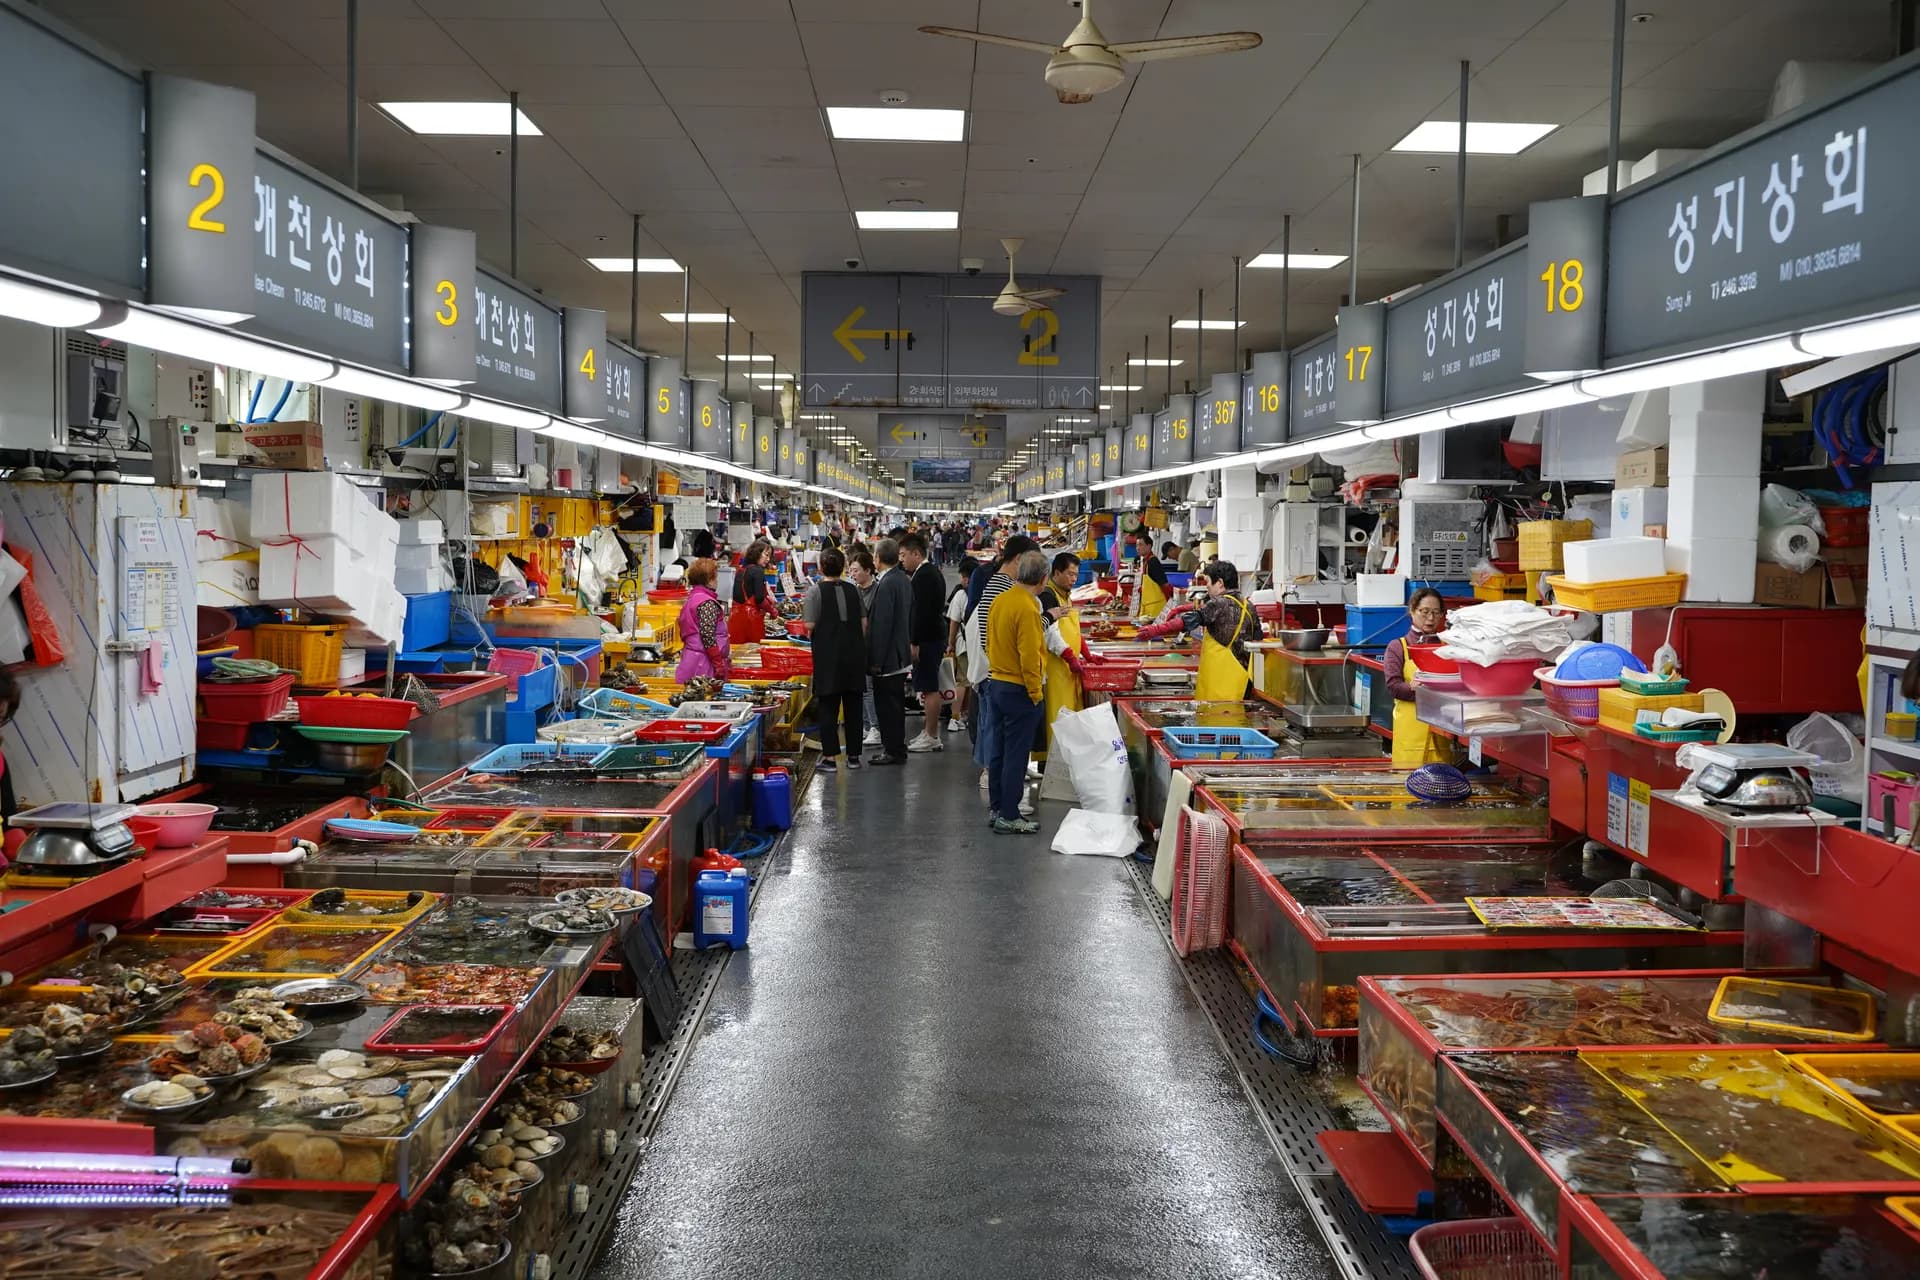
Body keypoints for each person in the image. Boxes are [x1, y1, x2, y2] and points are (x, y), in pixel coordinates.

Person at [983, 550, 1052, 835]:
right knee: (1016, 755)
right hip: (1019, 689)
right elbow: (1029, 656)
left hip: (997, 683)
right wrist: (1036, 694)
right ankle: (1010, 814)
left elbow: (988, 640)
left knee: (999, 751)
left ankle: (997, 808)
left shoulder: (1001, 600)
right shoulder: (1027, 607)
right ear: (1044, 578)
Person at [1137, 560, 1262, 701]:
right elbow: (1258, 639)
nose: (1207, 587)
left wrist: (1157, 629)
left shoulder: (1219, 603)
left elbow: (1189, 620)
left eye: (1208, 582)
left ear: (1220, 583)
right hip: (1243, 683)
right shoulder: (1249, 605)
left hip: (1220, 684)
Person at [801, 548, 866, 773]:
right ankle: (854, 756)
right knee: (854, 706)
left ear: (820, 567)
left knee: (828, 705)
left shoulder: (815, 592)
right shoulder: (854, 590)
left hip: (828, 657)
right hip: (855, 655)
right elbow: (864, 624)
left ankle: (829, 758)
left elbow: (809, 626)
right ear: (844, 567)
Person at [1384, 587, 1458, 768]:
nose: (1431, 618)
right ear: (1412, 610)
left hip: (1440, 734)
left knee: (1441, 787)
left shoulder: (1447, 647)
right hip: (1410, 737)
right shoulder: (1398, 646)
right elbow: (1393, 686)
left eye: (1436, 612)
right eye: (1425, 612)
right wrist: (1412, 688)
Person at [865, 538, 914, 766]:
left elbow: (882, 626)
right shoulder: (902, 580)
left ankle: (892, 750)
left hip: (888, 659)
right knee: (895, 706)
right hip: (900, 653)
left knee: (888, 708)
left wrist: (876, 661)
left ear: (878, 558)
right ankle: (896, 748)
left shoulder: (886, 584)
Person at [1034, 552, 1086, 765]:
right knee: (1055, 719)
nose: (1074, 579)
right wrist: (1069, 655)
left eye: (1076, 575)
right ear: (1057, 573)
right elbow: (1050, 633)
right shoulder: (1048, 595)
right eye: (1070, 574)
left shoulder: (1066, 594)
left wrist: (1085, 650)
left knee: (1066, 719)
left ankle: (1064, 762)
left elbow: (1071, 628)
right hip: (1055, 668)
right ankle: (1051, 765)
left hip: (1068, 669)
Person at [899, 532, 947, 752]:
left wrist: (915, 641)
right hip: (931, 637)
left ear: (916, 554)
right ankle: (928, 731)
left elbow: (922, 613)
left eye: (904, 555)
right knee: (927, 686)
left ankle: (932, 735)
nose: (901, 559)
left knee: (929, 687)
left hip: (927, 639)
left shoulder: (925, 576)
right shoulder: (927, 573)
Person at [673, 558, 730, 682]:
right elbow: (707, 634)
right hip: (703, 663)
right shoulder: (706, 602)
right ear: (709, 581)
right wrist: (718, 663)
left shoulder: (692, 599)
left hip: (691, 658)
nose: (717, 581)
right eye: (715, 577)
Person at [728, 541, 774, 644]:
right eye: (766, 555)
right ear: (757, 553)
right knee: (754, 650)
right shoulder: (758, 571)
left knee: (738, 652)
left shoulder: (741, 570)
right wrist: (772, 610)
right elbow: (759, 598)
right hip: (750, 620)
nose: (768, 559)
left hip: (735, 618)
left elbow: (737, 595)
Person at [944, 577, 971, 735]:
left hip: (963, 645)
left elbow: (953, 622)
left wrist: (950, 643)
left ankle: (954, 717)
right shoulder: (983, 592)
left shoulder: (961, 594)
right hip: (977, 645)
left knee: (961, 680)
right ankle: (964, 714)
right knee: (971, 683)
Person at [1131, 533, 1170, 620]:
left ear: (1149, 546)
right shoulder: (1144, 561)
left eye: (1141, 544)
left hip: (1156, 607)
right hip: (1147, 606)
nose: (1138, 548)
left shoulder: (1153, 562)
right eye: (1136, 545)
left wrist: (1170, 601)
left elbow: (1164, 584)